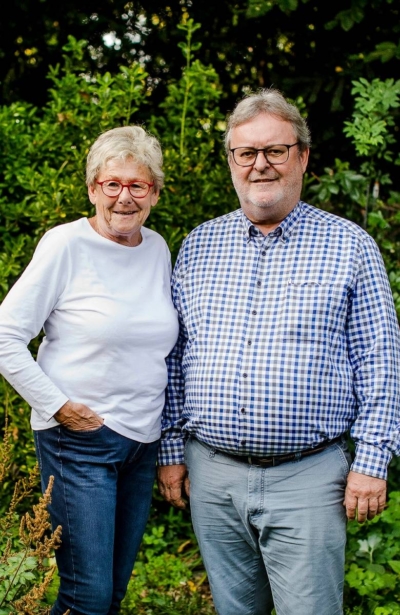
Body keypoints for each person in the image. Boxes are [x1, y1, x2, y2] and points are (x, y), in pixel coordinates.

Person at [157, 89, 400, 615]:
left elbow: (381, 361)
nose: (260, 164)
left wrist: (373, 461)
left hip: (309, 478)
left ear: (303, 157)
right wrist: (171, 451)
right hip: (212, 475)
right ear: (231, 161)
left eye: (276, 150)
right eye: (246, 153)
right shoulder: (197, 245)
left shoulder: (349, 246)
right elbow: (175, 358)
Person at [0, 125, 179, 615]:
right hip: (80, 442)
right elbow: (5, 337)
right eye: (112, 184)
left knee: (111, 593)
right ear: (92, 188)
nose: (125, 197)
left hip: (141, 446)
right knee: (88, 597)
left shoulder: (157, 249)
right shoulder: (65, 245)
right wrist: (57, 406)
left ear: (155, 192)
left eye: (137, 185)